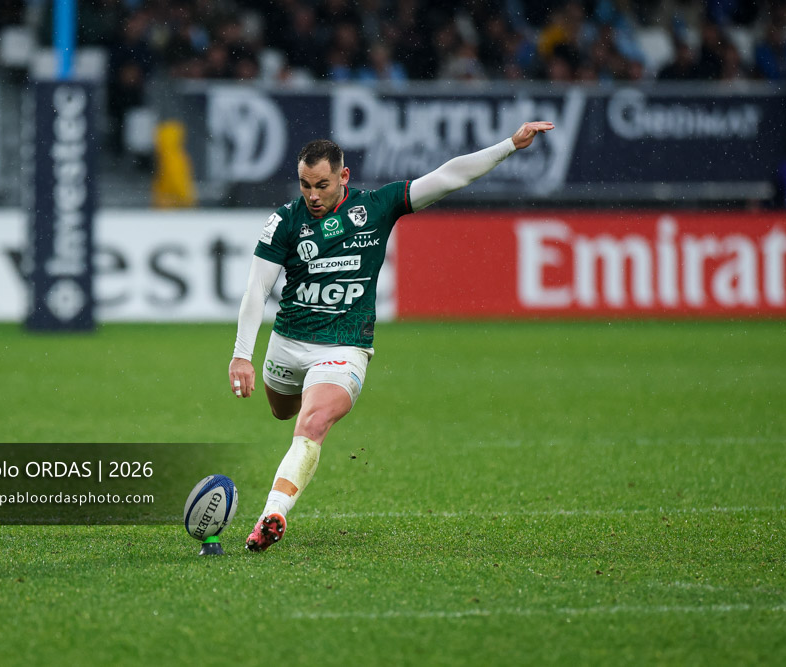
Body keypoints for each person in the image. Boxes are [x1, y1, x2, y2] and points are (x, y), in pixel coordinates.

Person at [228, 121, 555, 551]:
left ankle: (272, 514)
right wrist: (241, 355)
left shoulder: (377, 206)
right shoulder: (286, 222)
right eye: (305, 185)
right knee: (282, 411)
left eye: (322, 185)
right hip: (288, 345)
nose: (312, 195)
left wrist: (509, 145)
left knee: (313, 423)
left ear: (343, 177)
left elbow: (448, 176)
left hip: (345, 346)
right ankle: (287, 440)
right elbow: (257, 289)